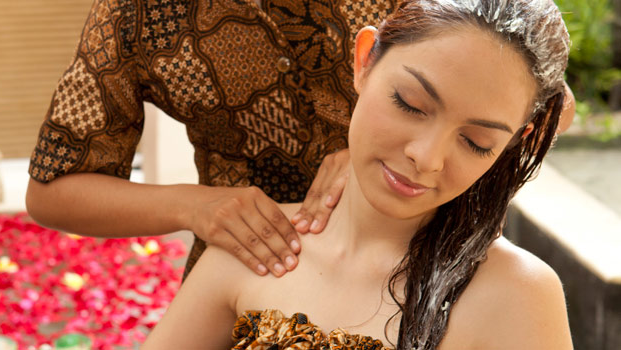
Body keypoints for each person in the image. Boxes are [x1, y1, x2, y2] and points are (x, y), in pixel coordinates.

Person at [141, 0, 574, 349]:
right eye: (410, 104)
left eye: (476, 141)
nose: (426, 158)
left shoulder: (518, 295)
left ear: (515, 141)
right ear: (365, 61)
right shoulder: (252, 245)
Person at [25, 0, 401, 278]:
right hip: (245, 273)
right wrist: (194, 206)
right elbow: (52, 189)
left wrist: (378, 149)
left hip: (409, 249)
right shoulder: (130, 12)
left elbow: (459, 81)